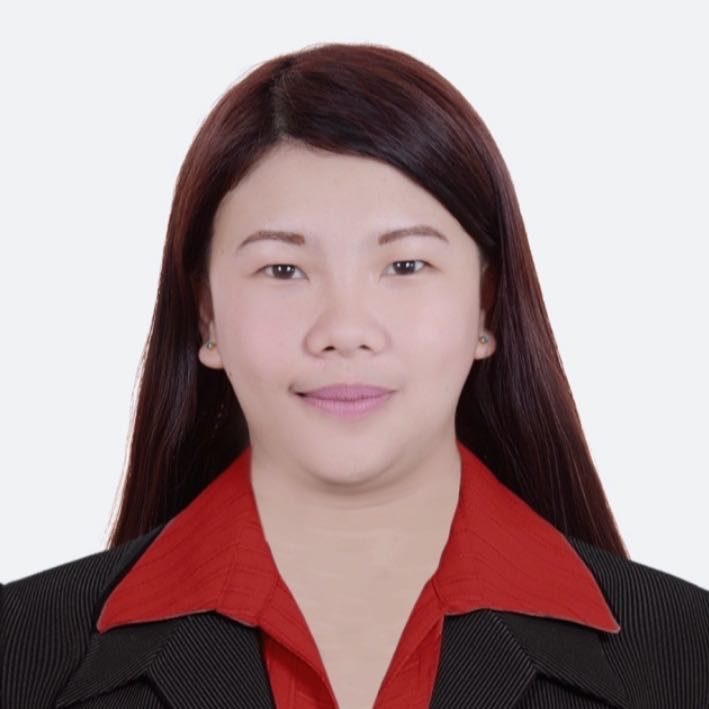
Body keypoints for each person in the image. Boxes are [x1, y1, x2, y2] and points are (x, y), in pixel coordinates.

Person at [2, 41, 708, 709]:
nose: (344, 329)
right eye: (283, 269)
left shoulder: (687, 652)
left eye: (405, 265)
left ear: (485, 305)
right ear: (207, 313)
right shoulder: (21, 649)